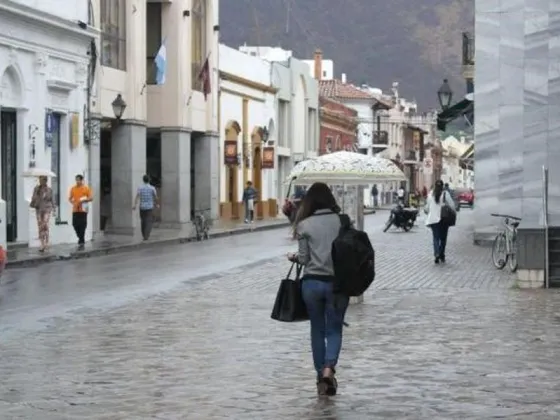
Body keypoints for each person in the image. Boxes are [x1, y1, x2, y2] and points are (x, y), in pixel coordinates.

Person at [287, 182, 349, 396]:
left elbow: (304, 259)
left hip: (312, 284)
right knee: (334, 328)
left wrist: (294, 257)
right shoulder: (342, 222)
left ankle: (319, 375)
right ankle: (328, 369)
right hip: (337, 284)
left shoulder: (304, 225)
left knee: (317, 329)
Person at [425, 180, 456, 264]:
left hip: (433, 220)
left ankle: (436, 253)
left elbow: (427, 207)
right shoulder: (445, 194)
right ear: (442, 186)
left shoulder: (431, 194)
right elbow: (452, 206)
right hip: (444, 219)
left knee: (435, 237)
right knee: (443, 238)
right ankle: (442, 254)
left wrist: (428, 211)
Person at [30, 176, 55, 252]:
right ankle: (42, 243)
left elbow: (52, 200)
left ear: (45, 181)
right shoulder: (36, 189)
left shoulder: (49, 190)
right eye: (39, 180)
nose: (40, 182)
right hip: (39, 209)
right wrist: (36, 196)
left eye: (42, 180)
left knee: (45, 224)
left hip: (47, 209)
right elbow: (33, 198)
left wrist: (54, 209)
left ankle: (46, 242)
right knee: (40, 226)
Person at [69, 174, 93, 248]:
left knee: (82, 225)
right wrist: (72, 202)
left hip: (83, 209)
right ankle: (81, 238)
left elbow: (91, 198)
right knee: (75, 224)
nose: (77, 181)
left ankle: (81, 240)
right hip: (75, 209)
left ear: (82, 180)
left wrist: (85, 199)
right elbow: (70, 198)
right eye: (76, 180)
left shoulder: (86, 188)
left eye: (79, 180)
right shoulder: (73, 188)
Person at [132, 175, 158, 240]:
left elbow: (137, 197)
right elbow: (155, 197)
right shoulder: (152, 188)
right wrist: (157, 204)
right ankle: (146, 235)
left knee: (143, 221)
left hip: (142, 207)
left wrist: (135, 205)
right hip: (149, 207)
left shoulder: (140, 188)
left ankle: (144, 234)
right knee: (149, 221)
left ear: (143, 180)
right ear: (149, 180)